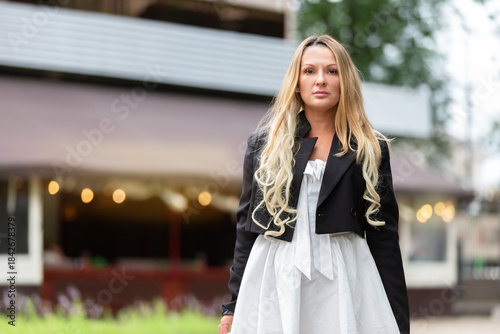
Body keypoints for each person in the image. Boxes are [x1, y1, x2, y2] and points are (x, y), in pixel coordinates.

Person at [219, 35, 409, 334]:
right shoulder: (264, 146)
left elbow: (384, 238)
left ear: (345, 80)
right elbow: (246, 230)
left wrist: (398, 320)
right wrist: (233, 306)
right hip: (275, 280)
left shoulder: (370, 148)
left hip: (347, 280)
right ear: (297, 80)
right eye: (309, 71)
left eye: (331, 71)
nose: (320, 80)